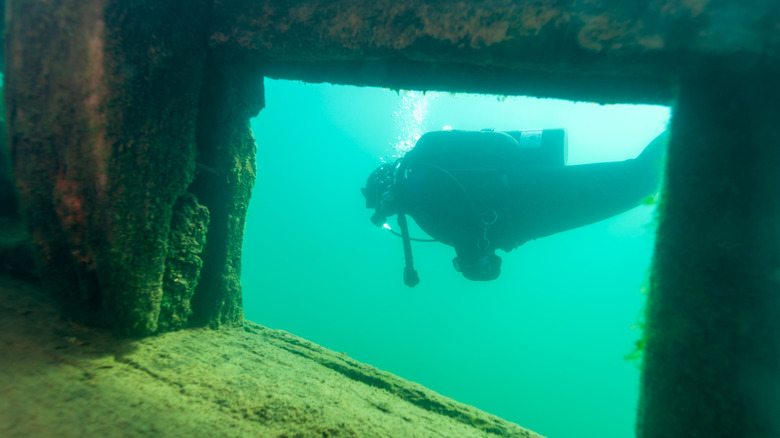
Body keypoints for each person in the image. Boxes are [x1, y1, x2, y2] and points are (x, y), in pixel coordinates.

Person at [362, 129, 666, 286]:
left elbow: (469, 238)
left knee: (636, 182)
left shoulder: (419, 198)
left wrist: (469, 264)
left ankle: (698, 119)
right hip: (525, 197)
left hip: (527, 204)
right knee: (635, 182)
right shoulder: (421, 188)